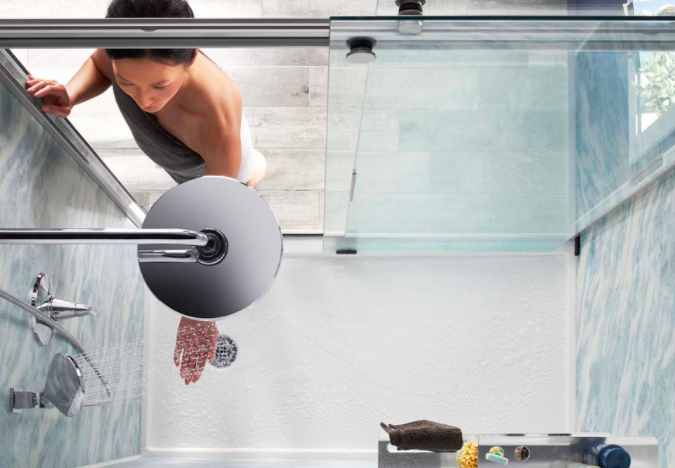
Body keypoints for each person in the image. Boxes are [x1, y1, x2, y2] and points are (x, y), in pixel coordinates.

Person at [25, 0, 266, 386]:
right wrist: (71, 93)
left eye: (160, 84)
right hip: (182, 158)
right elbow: (101, 64)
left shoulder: (217, 118)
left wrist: (200, 311)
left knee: (235, 185)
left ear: (190, 59)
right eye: (128, 83)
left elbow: (222, 225)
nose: (144, 99)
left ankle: (254, 174)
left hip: (215, 162)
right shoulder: (128, 48)